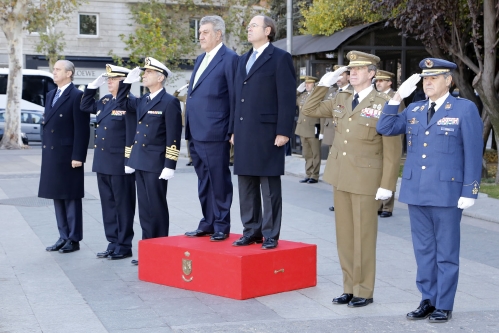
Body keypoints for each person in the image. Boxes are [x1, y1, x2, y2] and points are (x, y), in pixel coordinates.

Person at [376, 58, 483, 323]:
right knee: (424, 250)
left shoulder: (463, 108)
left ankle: (444, 304)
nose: (428, 83)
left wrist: (470, 190)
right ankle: (427, 299)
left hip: (447, 193)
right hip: (416, 191)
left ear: (449, 80)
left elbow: (473, 151)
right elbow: (385, 127)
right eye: (425, 79)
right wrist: (397, 96)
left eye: (434, 78)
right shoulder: (414, 108)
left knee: (446, 252)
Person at [302, 51, 402, 307]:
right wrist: (325, 83)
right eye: (351, 69)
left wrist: (387, 185)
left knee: (364, 237)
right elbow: (309, 108)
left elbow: (392, 150)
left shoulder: (385, 102)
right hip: (341, 175)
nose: (353, 72)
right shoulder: (342, 97)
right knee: (345, 236)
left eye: (360, 69)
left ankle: (364, 290)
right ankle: (349, 286)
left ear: (372, 73)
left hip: (368, 178)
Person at [229, 15, 295, 250]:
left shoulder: (279, 58)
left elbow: (286, 99)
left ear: (268, 30)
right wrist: (232, 130)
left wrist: (284, 131)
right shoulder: (242, 60)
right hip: (244, 131)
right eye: (248, 26)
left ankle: (270, 234)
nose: (249, 28)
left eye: (254, 25)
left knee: (268, 187)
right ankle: (251, 230)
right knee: (246, 185)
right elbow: (236, 98)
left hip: (268, 133)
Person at [116, 57, 182, 265]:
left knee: (157, 207)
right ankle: (148, 249)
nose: (144, 75)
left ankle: (161, 250)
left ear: (160, 77)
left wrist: (170, 165)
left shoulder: (169, 102)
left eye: (148, 73)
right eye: (143, 73)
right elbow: (121, 103)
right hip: (140, 160)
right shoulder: (143, 100)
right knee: (144, 208)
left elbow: (173, 135)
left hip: (156, 163)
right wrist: (127, 82)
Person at [183, 15, 238, 242]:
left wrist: (233, 129)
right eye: (200, 32)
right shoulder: (200, 59)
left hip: (216, 130)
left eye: (205, 32)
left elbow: (235, 96)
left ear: (218, 34)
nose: (201, 36)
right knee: (204, 179)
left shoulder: (230, 59)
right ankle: (207, 221)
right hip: (196, 130)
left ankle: (221, 224)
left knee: (218, 179)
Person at [80, 65, 136, 260]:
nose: (108, 81)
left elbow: (131, 134)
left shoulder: (130, 103)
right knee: (108, 205)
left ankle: (124, 244)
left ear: (124, 81)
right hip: (103, 162)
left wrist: (130, 161)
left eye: (113, 79)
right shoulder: (104, 101)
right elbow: (85, 106)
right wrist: (91, 87)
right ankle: (113, 241)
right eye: (107, 79)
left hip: (120, 163)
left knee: (123, 205)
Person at [40, 60, 90, 254]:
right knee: (57, 196)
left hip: (69, 155)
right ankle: (63, 236)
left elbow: (82, 129)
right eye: (54, 69)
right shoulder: (51, 94)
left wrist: (78, 155)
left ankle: (74, 238)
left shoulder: (77, 96)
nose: (54, 72)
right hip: (53, 154)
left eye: (58, 69)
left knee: (71, 197)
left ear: (69, 73)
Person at [374, 70, 405, 218]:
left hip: (391, 138)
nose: (378, 83)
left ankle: (387, 207)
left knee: (389, 169)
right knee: (378, 171)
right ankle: (378, 204)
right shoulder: (374, 96)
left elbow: (399, 120)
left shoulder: (396, 97)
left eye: (381, 81)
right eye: (377, 81)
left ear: (389, 82)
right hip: (376, 138)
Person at [322, 65, 352, 212]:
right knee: (335, 169)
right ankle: (337, 200)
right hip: (332, 132)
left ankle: (346, 200)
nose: (338, 79)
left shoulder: (353, 92)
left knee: (346, 168)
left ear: (348, 76)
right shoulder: (333, 92)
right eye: (336, 76)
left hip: (346, 136)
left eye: (341, 75)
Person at [295, 76, 321, 184]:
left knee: (315, 153)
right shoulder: (303, 96)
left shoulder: (318, 97)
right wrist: (298, 90)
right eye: (306, 84)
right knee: (306, 153)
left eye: (309, 84)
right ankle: (308, 173)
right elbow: (290, 98)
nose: (307, 85)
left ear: (314, 85)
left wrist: (322, 130)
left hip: (313, 127)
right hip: (302, 128)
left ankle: (314, 175)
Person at [172, 83, 192, 166]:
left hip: (195, 121)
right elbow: (174, 96)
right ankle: (191, 159)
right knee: (188, 141)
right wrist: (180, 89)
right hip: (186, 121)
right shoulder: (185, 96)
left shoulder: (196, 95)